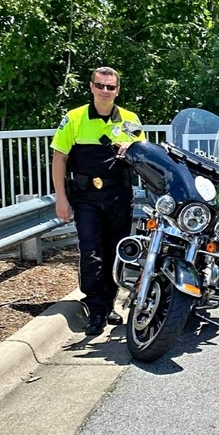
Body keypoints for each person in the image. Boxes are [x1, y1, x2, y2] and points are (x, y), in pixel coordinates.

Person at [51, 67, 145, 336]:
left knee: (115, 252)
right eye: (100, 85)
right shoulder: (74, 118)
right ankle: (96, 310)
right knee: (91, 252)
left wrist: (132, 148)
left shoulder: (129, 120)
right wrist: (61, 198)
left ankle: (109, 303)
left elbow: (143, 154)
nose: (105, 91)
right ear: (91, 87)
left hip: (119, 196)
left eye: (110, 87)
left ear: (118, 90)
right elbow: (59, 158)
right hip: (86, 198)